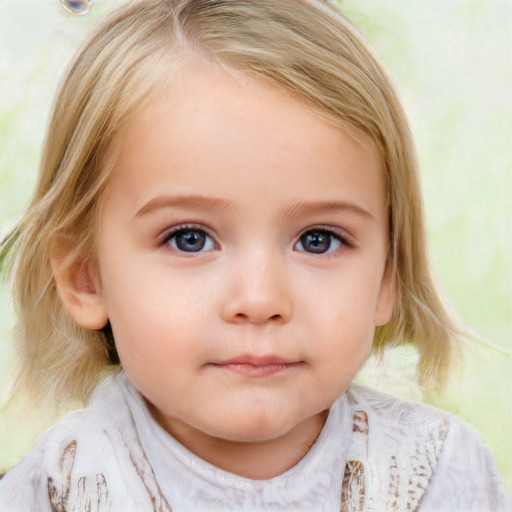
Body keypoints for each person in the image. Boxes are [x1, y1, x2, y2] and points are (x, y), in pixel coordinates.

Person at [0, 0, 506, 510]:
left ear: (386, 277)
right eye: (189, 238)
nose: (261, 299)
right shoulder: (56, 488)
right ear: (86, 278)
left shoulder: (438, 474)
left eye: (319, 239)